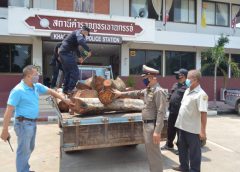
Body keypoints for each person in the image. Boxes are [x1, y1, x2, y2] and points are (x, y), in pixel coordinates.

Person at [0, 65, 74, 172]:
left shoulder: (36, 86)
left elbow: (51, 91)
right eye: (36, 74)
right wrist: (5, 130)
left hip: (32, 123)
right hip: (23, 124)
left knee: (30, 148)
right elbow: (9, 110)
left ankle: (25, 168)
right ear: (29, 76)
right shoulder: (18, 90)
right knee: (24, 150)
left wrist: (64, 99)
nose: (38, 76)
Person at [114, 65, 167, 172]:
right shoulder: (149, 90)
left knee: (154, 154)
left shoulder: (158, 91)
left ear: (152, 77)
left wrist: (157, 131)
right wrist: (120, 94)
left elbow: (161, 112)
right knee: (150, 152)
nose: (144, 81)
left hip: (152, 126)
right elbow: (135, 93)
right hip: (147, 125)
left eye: (145, 79)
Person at [173, 70, 208, 172]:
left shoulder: (201, 94)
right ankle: (183, 167)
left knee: (194, 153)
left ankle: (195, 170)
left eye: (188, 78)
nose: (186, 80)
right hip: (182, 126)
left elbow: (203, 113)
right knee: (182, 149)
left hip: (192, 130)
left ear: (195, 79)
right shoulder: (187, 90)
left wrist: (203, 131)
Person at [161, 68, 188, 155]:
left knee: (180, 131)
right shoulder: (175, 85)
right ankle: (169, 145)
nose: (177, 76)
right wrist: (168, 97)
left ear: (183, 76)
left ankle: (181, 148)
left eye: (178, 74)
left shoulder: (187, 88)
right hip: (172, 111)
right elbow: (172, 95)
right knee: (170, 129)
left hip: (180, 113)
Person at [59, 25, 92, 94]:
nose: (86, 36)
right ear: (85, 31)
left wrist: (79, 57)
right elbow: (81, 41)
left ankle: (65, 90)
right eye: (86, 34)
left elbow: (76, 48)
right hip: (66, 53)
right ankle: (70, 89)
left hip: (63, 53)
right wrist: (89, 50)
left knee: (68, 72)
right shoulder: (79, 33)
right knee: (75, 72)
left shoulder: (76, 34)